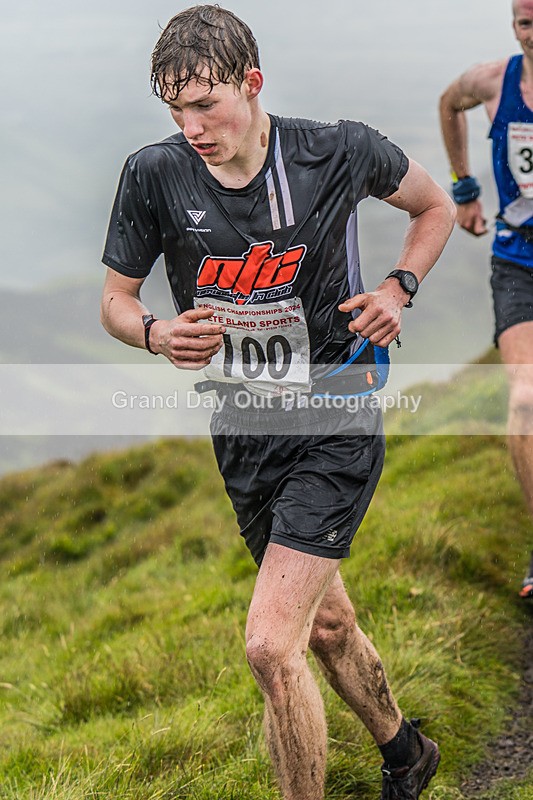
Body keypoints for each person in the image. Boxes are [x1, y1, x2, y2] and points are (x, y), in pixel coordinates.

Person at [101, 6, 455, 799]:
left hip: (337, 414)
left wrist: (399, 288)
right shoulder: (153, 174)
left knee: (268, 645)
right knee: (322, 626)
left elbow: (432, 209)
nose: (189, 126)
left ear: (251, 85)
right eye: (173, 109)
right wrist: (155, 334)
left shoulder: (336, 150)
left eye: (204, 105)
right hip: (244, 430)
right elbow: (116, 302)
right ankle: (406, 753)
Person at [440, 0, 533, 601]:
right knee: (525, 401)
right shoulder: (494, 81)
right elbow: (450, 105)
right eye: (527, 24)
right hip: (517, 262)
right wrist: (465, 188)